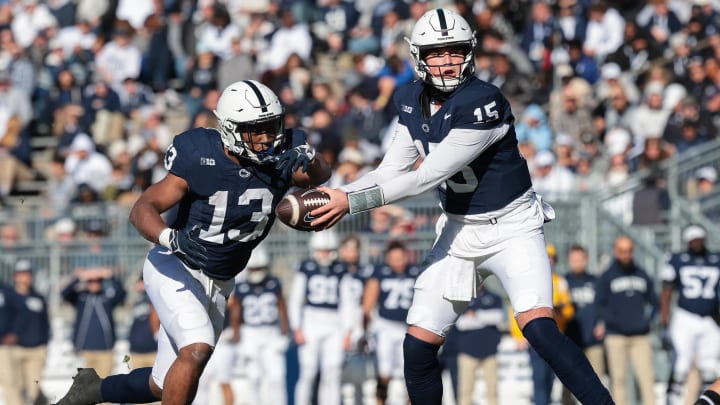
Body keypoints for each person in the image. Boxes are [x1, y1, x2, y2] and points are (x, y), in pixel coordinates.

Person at [310, 8, 613, 405]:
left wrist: (351, 203)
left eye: (454, 51)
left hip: (513, 227)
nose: (447, 61)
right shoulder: (408, 100)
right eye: (436, 53)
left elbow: (427, 176)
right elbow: (389, 172)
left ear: (469, 51)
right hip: (458, 231)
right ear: (419, 57)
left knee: (538, 329)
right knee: (417, 346)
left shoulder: (483, 101)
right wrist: (340, 192)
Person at [54, 79, 331, 405]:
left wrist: (310, 158)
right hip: (176, 263)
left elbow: (319, 176)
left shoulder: (282, 153)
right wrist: (169, 237)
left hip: (221, 279)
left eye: (271, 127)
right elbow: (143, 207)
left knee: (162, 383)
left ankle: (93, 390)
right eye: (256, 131)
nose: (267, 138)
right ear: (229, 129)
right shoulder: (201, 155)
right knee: (197, 348)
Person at [288, 230, 353, 405]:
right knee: (308, 370)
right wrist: (297, 327)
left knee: (332, 371)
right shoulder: (305, 268)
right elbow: (295, 300)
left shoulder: (341, 269)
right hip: (311, 321)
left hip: (334, 322)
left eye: (327, 250)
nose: (324, 254)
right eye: (321, 250)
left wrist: (348, 331)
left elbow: (348, 302)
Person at [594, 236, 657, 405]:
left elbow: (654, 301)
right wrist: (613, 321)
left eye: (629, 251)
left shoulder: (642, 274)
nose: (626, 255)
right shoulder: (607, 276)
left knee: (647, 379)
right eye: (622, 251)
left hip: (640, 336)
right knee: (618, 380)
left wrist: (647, 320)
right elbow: (599, 305)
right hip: (616, 336)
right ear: (616, 251)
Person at [661, 225, 720, 404]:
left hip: (710, 318)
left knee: (710, 367)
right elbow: (666, 292)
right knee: (681, 365)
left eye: (699, 238)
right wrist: (665, 322)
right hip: (685, 317)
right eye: (693, 239)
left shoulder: (715, 258)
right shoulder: (677, 259)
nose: (697, 242)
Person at [363, 240, 422, 405]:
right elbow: (368, 302)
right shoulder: (380, 272)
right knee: (384, 371)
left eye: (400, 257)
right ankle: (380, 401)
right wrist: (364, 328)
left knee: (410, 372)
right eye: (394, 258)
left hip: (408, 328)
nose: (398, 261)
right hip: (385, 326)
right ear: (388, 258)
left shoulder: (415, 271)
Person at [230, 245, 290, 405]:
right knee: (254, 377)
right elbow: (236, 315)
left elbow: (283, 309)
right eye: (253, 269)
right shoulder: (242, 287)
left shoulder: (274, 283)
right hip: (250, 333)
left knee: (277, 376)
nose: (256, 272)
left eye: (259, 268)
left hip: (271, 332)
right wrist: (238, 340)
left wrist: (285, 334)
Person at [60, 267, 127, 378]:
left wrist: (111, 276)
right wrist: (78, 277)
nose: (94, 284)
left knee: (104, 383)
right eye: (91, 281)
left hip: (105, 350)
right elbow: (65, 293)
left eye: (97, 281)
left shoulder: (107, 297)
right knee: (86, 386)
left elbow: (122, 293)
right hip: (84, 350)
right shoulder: (80, 297)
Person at [563, 244, 605, 404]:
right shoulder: (563, 282)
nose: (577, 262)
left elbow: (604, 307)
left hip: (593, 341)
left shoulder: (595, 281)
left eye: (580, 259)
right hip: (569, 341)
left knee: (596, 382)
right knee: (568, 383)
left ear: (586, 260)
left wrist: (602, 323)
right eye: (574, 259)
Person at [10, 259, 51, 404]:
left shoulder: (38, 298)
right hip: (14, 350)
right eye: (22, 274)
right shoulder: (8, 297)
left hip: (36, 350)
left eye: (28, 274)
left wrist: (45, 345)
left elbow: (45, 323)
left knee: (33, 388)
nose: (25, 277)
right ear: (15, 276)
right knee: (14, 388)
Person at [455, 285, 504, 405]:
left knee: (492, 392)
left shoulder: (494, 296)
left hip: (490, 351)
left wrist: (476, 315)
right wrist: (486, 319)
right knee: (465, 392)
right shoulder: (461, 299)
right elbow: (461, 324)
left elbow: (498, 317)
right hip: (467, 352)